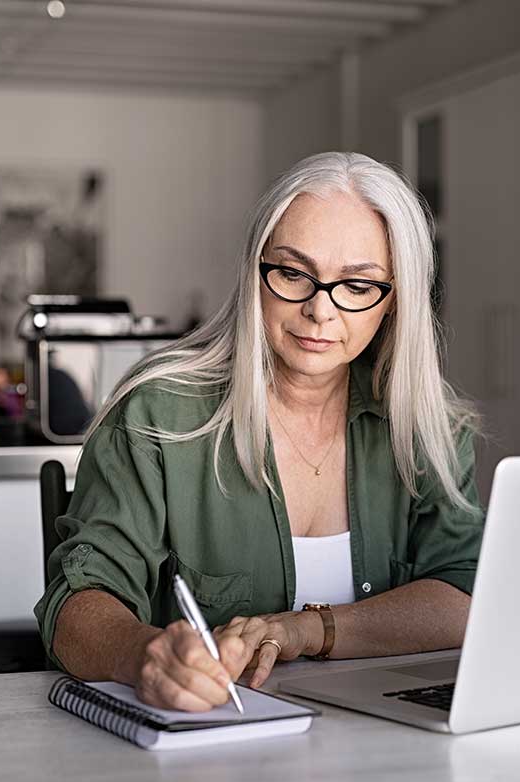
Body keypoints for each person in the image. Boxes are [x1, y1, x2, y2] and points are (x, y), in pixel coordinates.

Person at [34, 152, 483, 712]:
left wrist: (305, 630)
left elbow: (464, 595)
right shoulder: (157, 413)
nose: (320, 310)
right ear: (255, 272)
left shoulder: (427, 424)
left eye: (358, 285)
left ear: (394, 302)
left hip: (388, 739)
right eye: (294, 273)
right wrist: (142, 655)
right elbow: (76, 603)